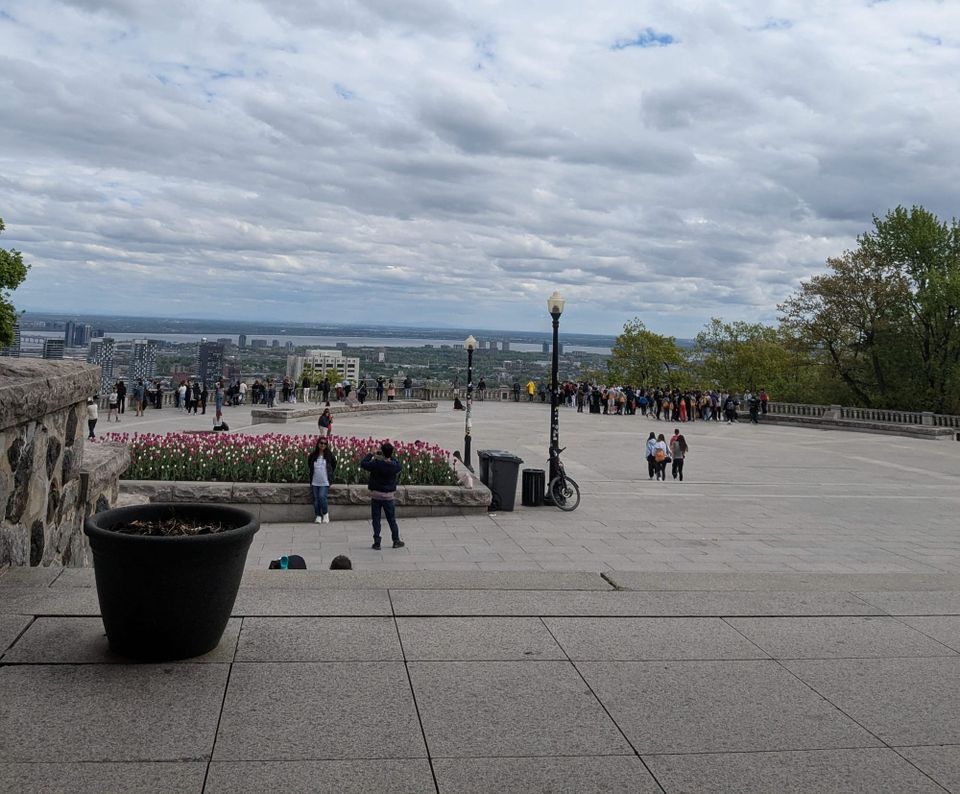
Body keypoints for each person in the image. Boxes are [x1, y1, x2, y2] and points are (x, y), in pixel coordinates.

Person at [360, 442, 404, 550]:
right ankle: (396, 540)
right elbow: (398, 464)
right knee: (391, 519)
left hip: (376, 496)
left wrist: (371, 453)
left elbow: (363, 463)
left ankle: (377, 542)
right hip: (388, 496)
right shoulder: (394, 466)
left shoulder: (376, 464)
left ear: (382, 452)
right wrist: (389, 455)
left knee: (376, 519)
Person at [307, 437, 337, 524]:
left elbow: (334, 464)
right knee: (316, 500)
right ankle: (318, 516)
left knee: (321, 497)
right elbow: (309, 464)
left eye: (325, 443)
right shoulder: (313, 455)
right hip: (315, 481)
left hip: (325, 481)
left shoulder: (329, 455)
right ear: (318, 444)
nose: (323, 445)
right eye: (321, 443)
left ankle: (325, 513)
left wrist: (330, 474)